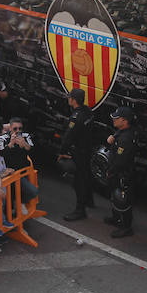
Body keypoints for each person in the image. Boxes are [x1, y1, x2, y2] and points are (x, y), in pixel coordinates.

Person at [60, 88, 93, 221]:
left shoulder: (76, 117)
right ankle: (89, 200)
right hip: (88, 150)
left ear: (73, 100)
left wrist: (62, 152)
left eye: (70, 97)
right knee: (87, 176)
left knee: (78, 180)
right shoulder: (88, 112)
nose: (68, 99)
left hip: (79, 152)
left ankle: (80, 210)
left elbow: (68, 137)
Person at [103, 107, 136, 238]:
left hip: (123, 174)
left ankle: (126, 227)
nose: (114, 120)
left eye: (117, 118)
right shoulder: (122, 132)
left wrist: (110, 171)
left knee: (123, 200)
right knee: (114, 197)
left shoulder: (126, 138)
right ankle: (116, 218)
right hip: (117, 173)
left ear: (125, 121)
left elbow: (120, 160)